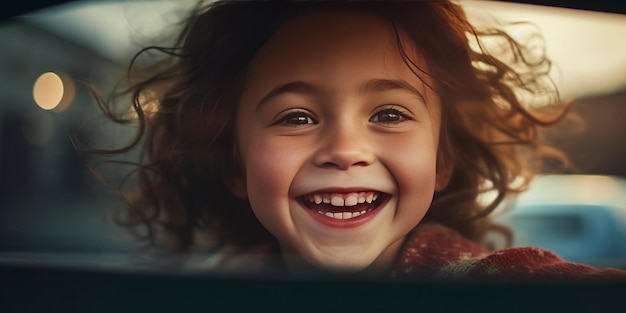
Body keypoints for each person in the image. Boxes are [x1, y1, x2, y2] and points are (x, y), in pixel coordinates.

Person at [79, 0, 626, 281]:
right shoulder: (220, 282)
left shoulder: (493, 283)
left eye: (388, 113)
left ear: (441, 162)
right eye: (294, 118)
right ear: (235, 163)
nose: (345, 149)